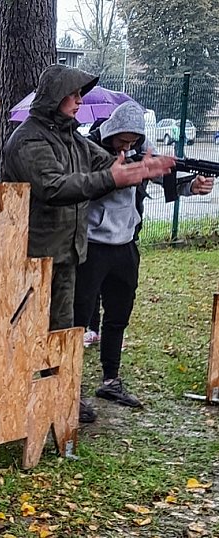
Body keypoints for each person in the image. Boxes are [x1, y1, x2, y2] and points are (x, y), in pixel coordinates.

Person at [1, 64, 174, 423]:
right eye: (74, 93)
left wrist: (144, 169)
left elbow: (108, 164)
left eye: (81, 93)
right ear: (55, 96)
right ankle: (18, 397)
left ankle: (62, 396)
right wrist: (112, 176)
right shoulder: (29, 139)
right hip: (31, 254)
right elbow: (53, 187)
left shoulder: (71, 138)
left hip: (67, 253)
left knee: (64, 330)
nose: (79, 100)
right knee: (24, 329)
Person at [74, 101, 214, 413]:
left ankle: (110, 380)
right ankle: (70, 388)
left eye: (133, 140)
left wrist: (193, 185)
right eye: (122, 140)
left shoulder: (141, 149)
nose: (127, 145)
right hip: (92, 245)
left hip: (126, 245)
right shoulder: (91, 150)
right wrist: (127, 173)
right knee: (78, 317)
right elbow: (86, 186)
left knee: (118, 315)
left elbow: (164, 180)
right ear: (111, 132)